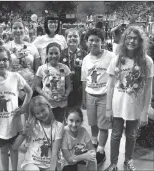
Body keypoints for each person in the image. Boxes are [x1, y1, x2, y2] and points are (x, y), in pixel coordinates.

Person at [105, 26, 153, 171]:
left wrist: (145, 111)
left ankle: (128, 160)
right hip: (118, 105)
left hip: (135, 106)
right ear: (124, 40)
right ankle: (113, 163)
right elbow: (111, 86)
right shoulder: (117, 60)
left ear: (140, 41)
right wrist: (108, 108)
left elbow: (149, 88)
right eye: (128, 38)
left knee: (132, 136)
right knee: (115, 135)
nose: (131, 41)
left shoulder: (147, 61)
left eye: (135, 38)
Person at [0, 45, 32, 171]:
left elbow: (29, 92)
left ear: (9, 60)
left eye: (4, 59)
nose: (1, 62)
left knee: (14, 150)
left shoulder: (15, 76)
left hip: (14, 123)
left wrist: (23, 107)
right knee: (3, 151)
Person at [81, 28, 116, 166]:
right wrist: (83, 99)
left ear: (102, 42)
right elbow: (84, 80)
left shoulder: (111, 57)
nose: (94, 43)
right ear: (86, 42)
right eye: (91, 40)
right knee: (93, 123)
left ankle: (101, 151)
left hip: (105, 96)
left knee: (103, 126)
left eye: (97, 40)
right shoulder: (85, 59)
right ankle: (94, 143)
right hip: (90, 95)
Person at [12, 95, 64, 171]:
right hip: (32, 163)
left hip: (49, 164)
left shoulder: (59, 126)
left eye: (43, 110)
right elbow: (15, 147)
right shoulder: (32, 125)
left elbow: (54, 153)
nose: (41, 115)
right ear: (34, 115)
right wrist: (24, 132)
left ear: (48, 107)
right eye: (37, 113)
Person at [35, 42, 72, 123]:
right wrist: (46, 96)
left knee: (59, 123)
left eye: (56, 53)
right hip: (47, 103)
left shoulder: (65, 68)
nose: (54, 56)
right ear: (47, 54)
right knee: (48, 124)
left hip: (61, 103)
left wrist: (66, 95)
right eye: (51, 53)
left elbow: (69, 86)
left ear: (60, 54)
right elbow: (37, 87)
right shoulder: (41, 68)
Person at [5, 19, 40, 101]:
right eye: (15, 28)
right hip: (12, 89)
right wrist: (19, 93)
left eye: (21, 28)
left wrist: (30, 90)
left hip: (31, 87)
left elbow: (37, 72)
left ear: (25, 30)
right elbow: (4, 71)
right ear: (10, 30)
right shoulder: (5, 47)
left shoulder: (32, 47)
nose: (18, 30)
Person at [60, 28, 87, 107]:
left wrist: (84, 98)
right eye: (70, 36)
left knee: (76, 114)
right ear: (66, 39)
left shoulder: (85, 54)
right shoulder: (61, 54)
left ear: (79, 38)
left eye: (75, 36)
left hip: (79, 90)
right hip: (63, 89)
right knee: (64, 113)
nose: (72, 38)